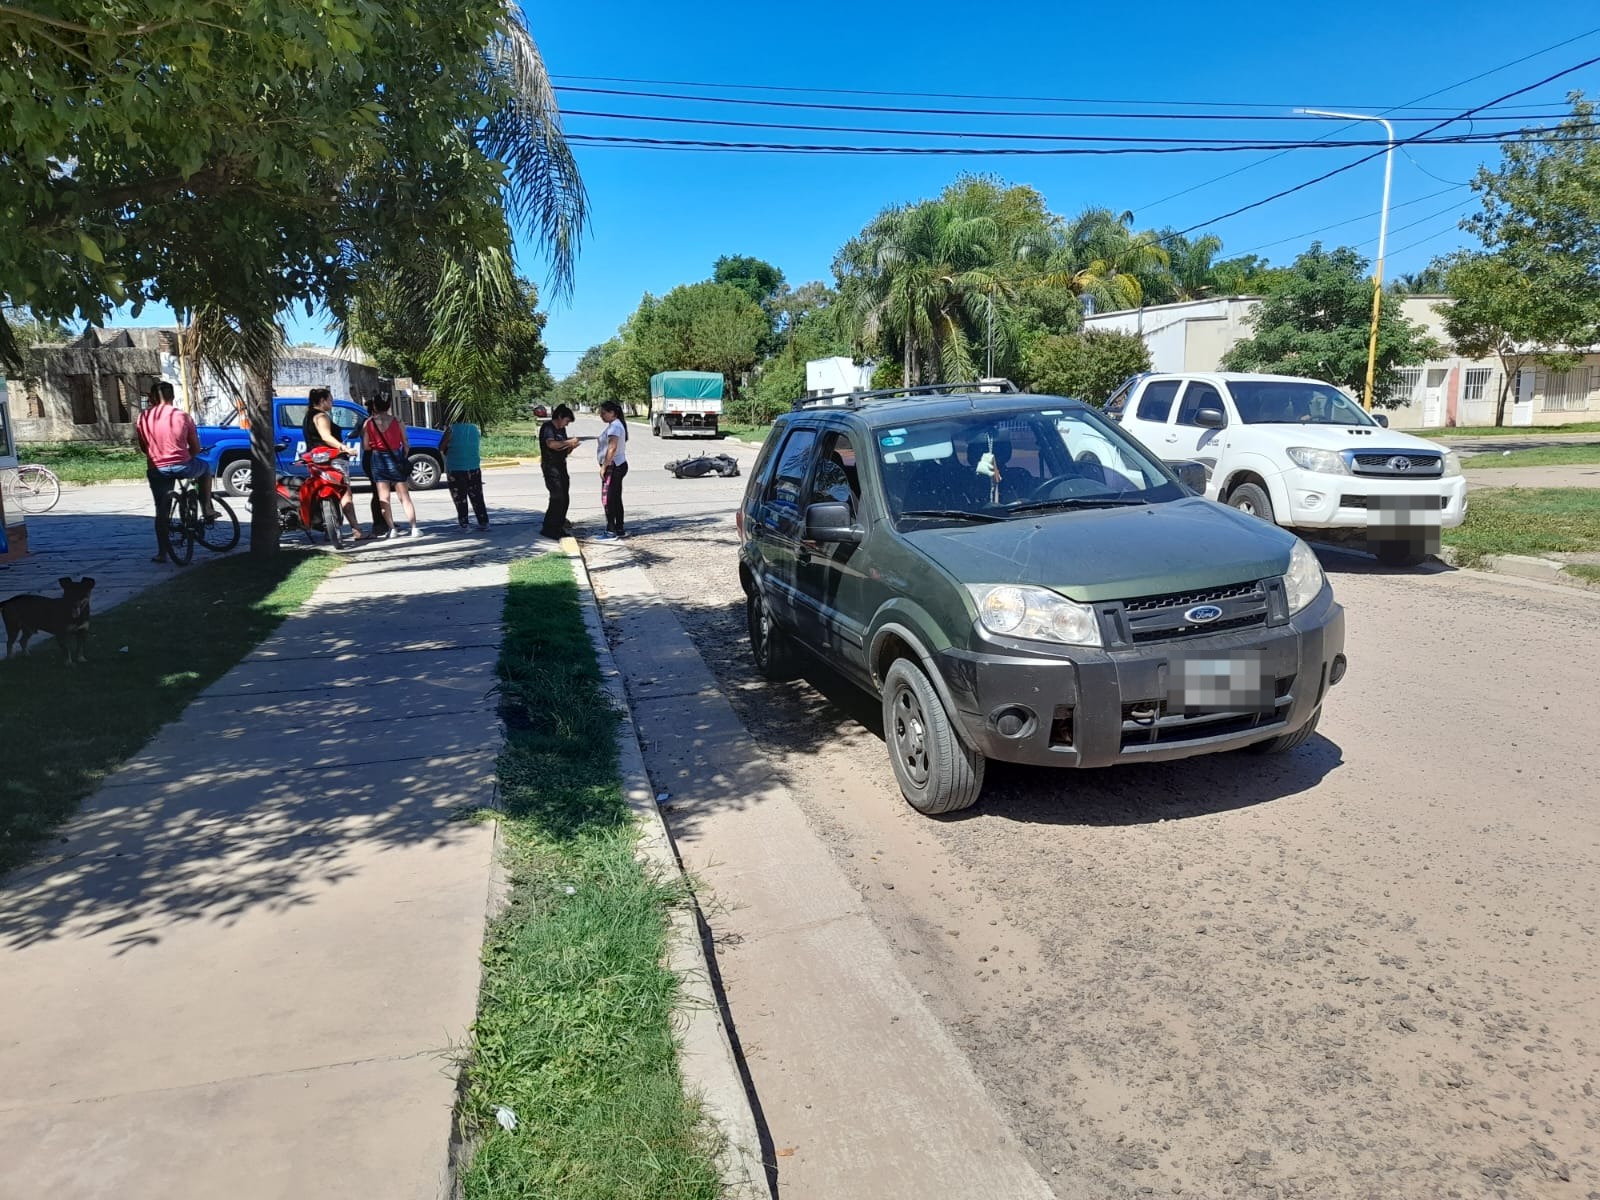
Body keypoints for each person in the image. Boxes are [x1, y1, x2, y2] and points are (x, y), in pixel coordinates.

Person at [136, 381, 217, 564]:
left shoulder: (143, 418)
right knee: (204, 469)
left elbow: (144, 448)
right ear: (172, 396)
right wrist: (185, 456)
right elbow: (195, 448)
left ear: (152, 398)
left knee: (161, 511)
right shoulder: (182, 416)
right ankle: (207, 508)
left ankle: (162, 553)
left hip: (157, 468)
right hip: (183, 465)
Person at [302, 388, 365, 541]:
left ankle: (328, 528)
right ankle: (356, 529)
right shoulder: (321, 416)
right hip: (331, 458)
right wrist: (344, 448)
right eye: (330, 399)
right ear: (322, 401)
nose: (332, 402)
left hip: (315, 459)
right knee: (345, 492)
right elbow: (326, 436)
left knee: (323, 490)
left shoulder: (307, 416)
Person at [362, 393, 422, 539]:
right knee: (404, 496)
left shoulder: (368, 423)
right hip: (395, 457)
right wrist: (402, 456)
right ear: (389, 406)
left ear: (374, 406)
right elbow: (406, 444)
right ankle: (414, 528)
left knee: (384, 497)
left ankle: (391, 529)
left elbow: (366, 446)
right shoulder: (397, 421)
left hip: (377, 459)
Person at [439, 417, 488, 531]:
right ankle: (483, 521)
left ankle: (464, 523)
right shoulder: (475, 428)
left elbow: (441, 446)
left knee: (460, 497)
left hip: (456, 467)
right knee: (477, 496)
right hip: (473, 466)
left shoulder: (451, 429)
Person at [538, 404, 579, 539]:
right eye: (566, 421)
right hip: (550, 467)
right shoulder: (548, 428)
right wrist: (569, 442)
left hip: (561, 465)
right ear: (560, 417)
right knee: (557, 497)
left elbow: (563, 450)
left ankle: (559, 526)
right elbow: (551, 444)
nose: (566, 425)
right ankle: (549, 528)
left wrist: (571, 446)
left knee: (565, 498)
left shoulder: (561, 431)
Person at [594, 400, 629, 540]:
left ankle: (611, 530)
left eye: (604, 413)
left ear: (613, 413)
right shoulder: (616, 425)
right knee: (615, 498)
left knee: (608, 499)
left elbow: (612, 448)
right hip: (618, 464)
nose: (601, 416)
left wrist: (604, 466)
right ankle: (619, 528)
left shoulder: (615, 427)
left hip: (613, 466)